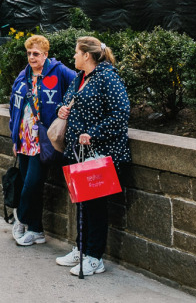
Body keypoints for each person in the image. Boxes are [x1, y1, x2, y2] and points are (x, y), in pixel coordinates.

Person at [55, 36, 130, 276]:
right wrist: (63, 108)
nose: (74, 57)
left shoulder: (107, 77)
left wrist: (93, 134)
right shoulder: (80, 78)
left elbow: (121, 113)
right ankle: (81, 249)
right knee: (83, 203)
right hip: (79, 153)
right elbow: (68, 101)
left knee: (96, 206)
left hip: (99, 154)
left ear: (87, 55)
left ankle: (95, 257)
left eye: (76, 52)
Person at [9, 35, 76, 246]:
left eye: (36, 53)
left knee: (31, 184)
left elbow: (79, 86)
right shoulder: (23, 75)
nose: (31, 57)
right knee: (32, 187)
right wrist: (14, 139)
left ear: (45, 54)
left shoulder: (59, 71)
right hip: (24, 140)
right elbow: (14, 108)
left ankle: (20, 219)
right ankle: (36, 230)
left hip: (43, 142)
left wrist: (66, 109)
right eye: (29, 53)